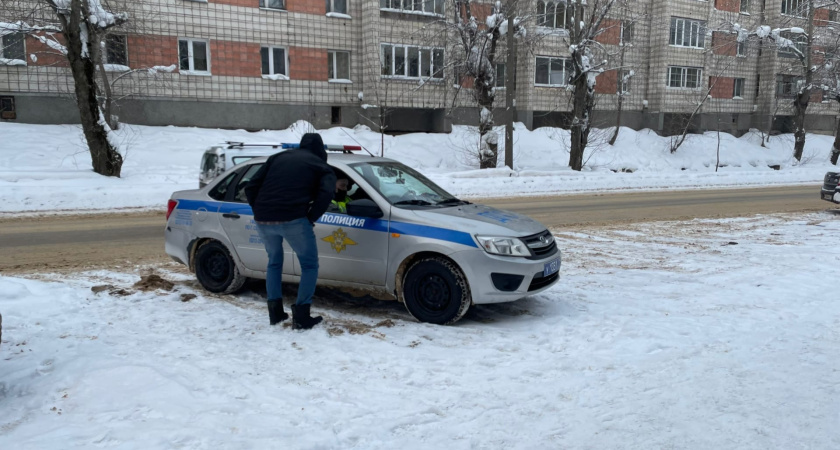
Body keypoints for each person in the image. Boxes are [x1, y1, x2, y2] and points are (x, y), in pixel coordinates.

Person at [244, 133, 336, 330]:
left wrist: (260, 210)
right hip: (294, 219)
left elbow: (251, 186)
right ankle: (302, 316)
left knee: (274, 262)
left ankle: (275, 313)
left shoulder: (277, 157)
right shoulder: (320, 165)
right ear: (321, 150)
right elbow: (327, 192)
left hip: (263, 219)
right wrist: (311, 216)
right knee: (309, 265)